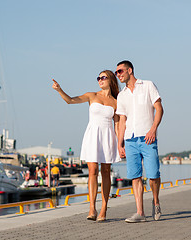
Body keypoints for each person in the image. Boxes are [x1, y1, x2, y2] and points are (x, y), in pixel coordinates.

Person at [52, 70, 121, 222]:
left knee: (106, 171)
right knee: (92, 170)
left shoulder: (116, 102)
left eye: (103, 77)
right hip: (92, 135)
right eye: (98, 78)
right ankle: (92, 208)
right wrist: (59, 90)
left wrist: (120, 144)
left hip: (108, 136)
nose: (100, 80)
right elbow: (70, 100)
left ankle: (103, 208)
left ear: (111, 80)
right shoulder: (92, 95)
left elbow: (117, 125)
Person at [115, 60, 164, 223]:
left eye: (120, 71)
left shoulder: (148, 85)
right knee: (135, 177)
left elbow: (159, 108)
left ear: (130, 70)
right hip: (130, 140)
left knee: (153, 175)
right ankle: (140, 212)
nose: (118, 75)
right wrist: (119, 143)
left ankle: (156, 202)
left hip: (148, 137)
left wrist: (153, 129)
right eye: (117, 73)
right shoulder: (121, 95)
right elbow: (122, 120)